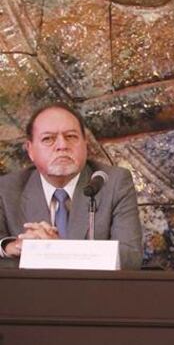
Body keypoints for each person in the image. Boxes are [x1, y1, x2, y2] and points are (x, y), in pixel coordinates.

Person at [0, 103, 143, 270]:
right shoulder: (7, 188)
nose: (62, 145)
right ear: (30, 150)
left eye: (71, 137)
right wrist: (13, 246)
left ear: (85, 144)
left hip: (94, 293)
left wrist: (56, 250)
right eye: (48, 139)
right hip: (29, 294)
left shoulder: (112, 182)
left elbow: (131, 257)